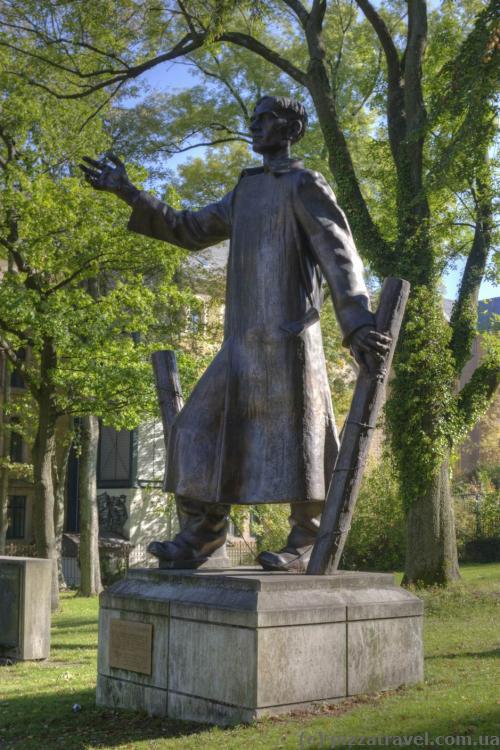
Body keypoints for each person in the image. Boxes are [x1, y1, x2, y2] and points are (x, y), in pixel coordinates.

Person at [80, 95, 390, 572]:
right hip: (240, 343)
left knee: (302, 443)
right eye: (255, 119)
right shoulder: (244, 192)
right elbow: (187, 228)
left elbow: (339, 254)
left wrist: (357, 323)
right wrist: (129, 192)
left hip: (289, 341)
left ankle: (306, 539)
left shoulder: (304, 183)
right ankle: (202, 538)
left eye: (266, 118)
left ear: (290, 128)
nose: (255, 125)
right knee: (192, 430)